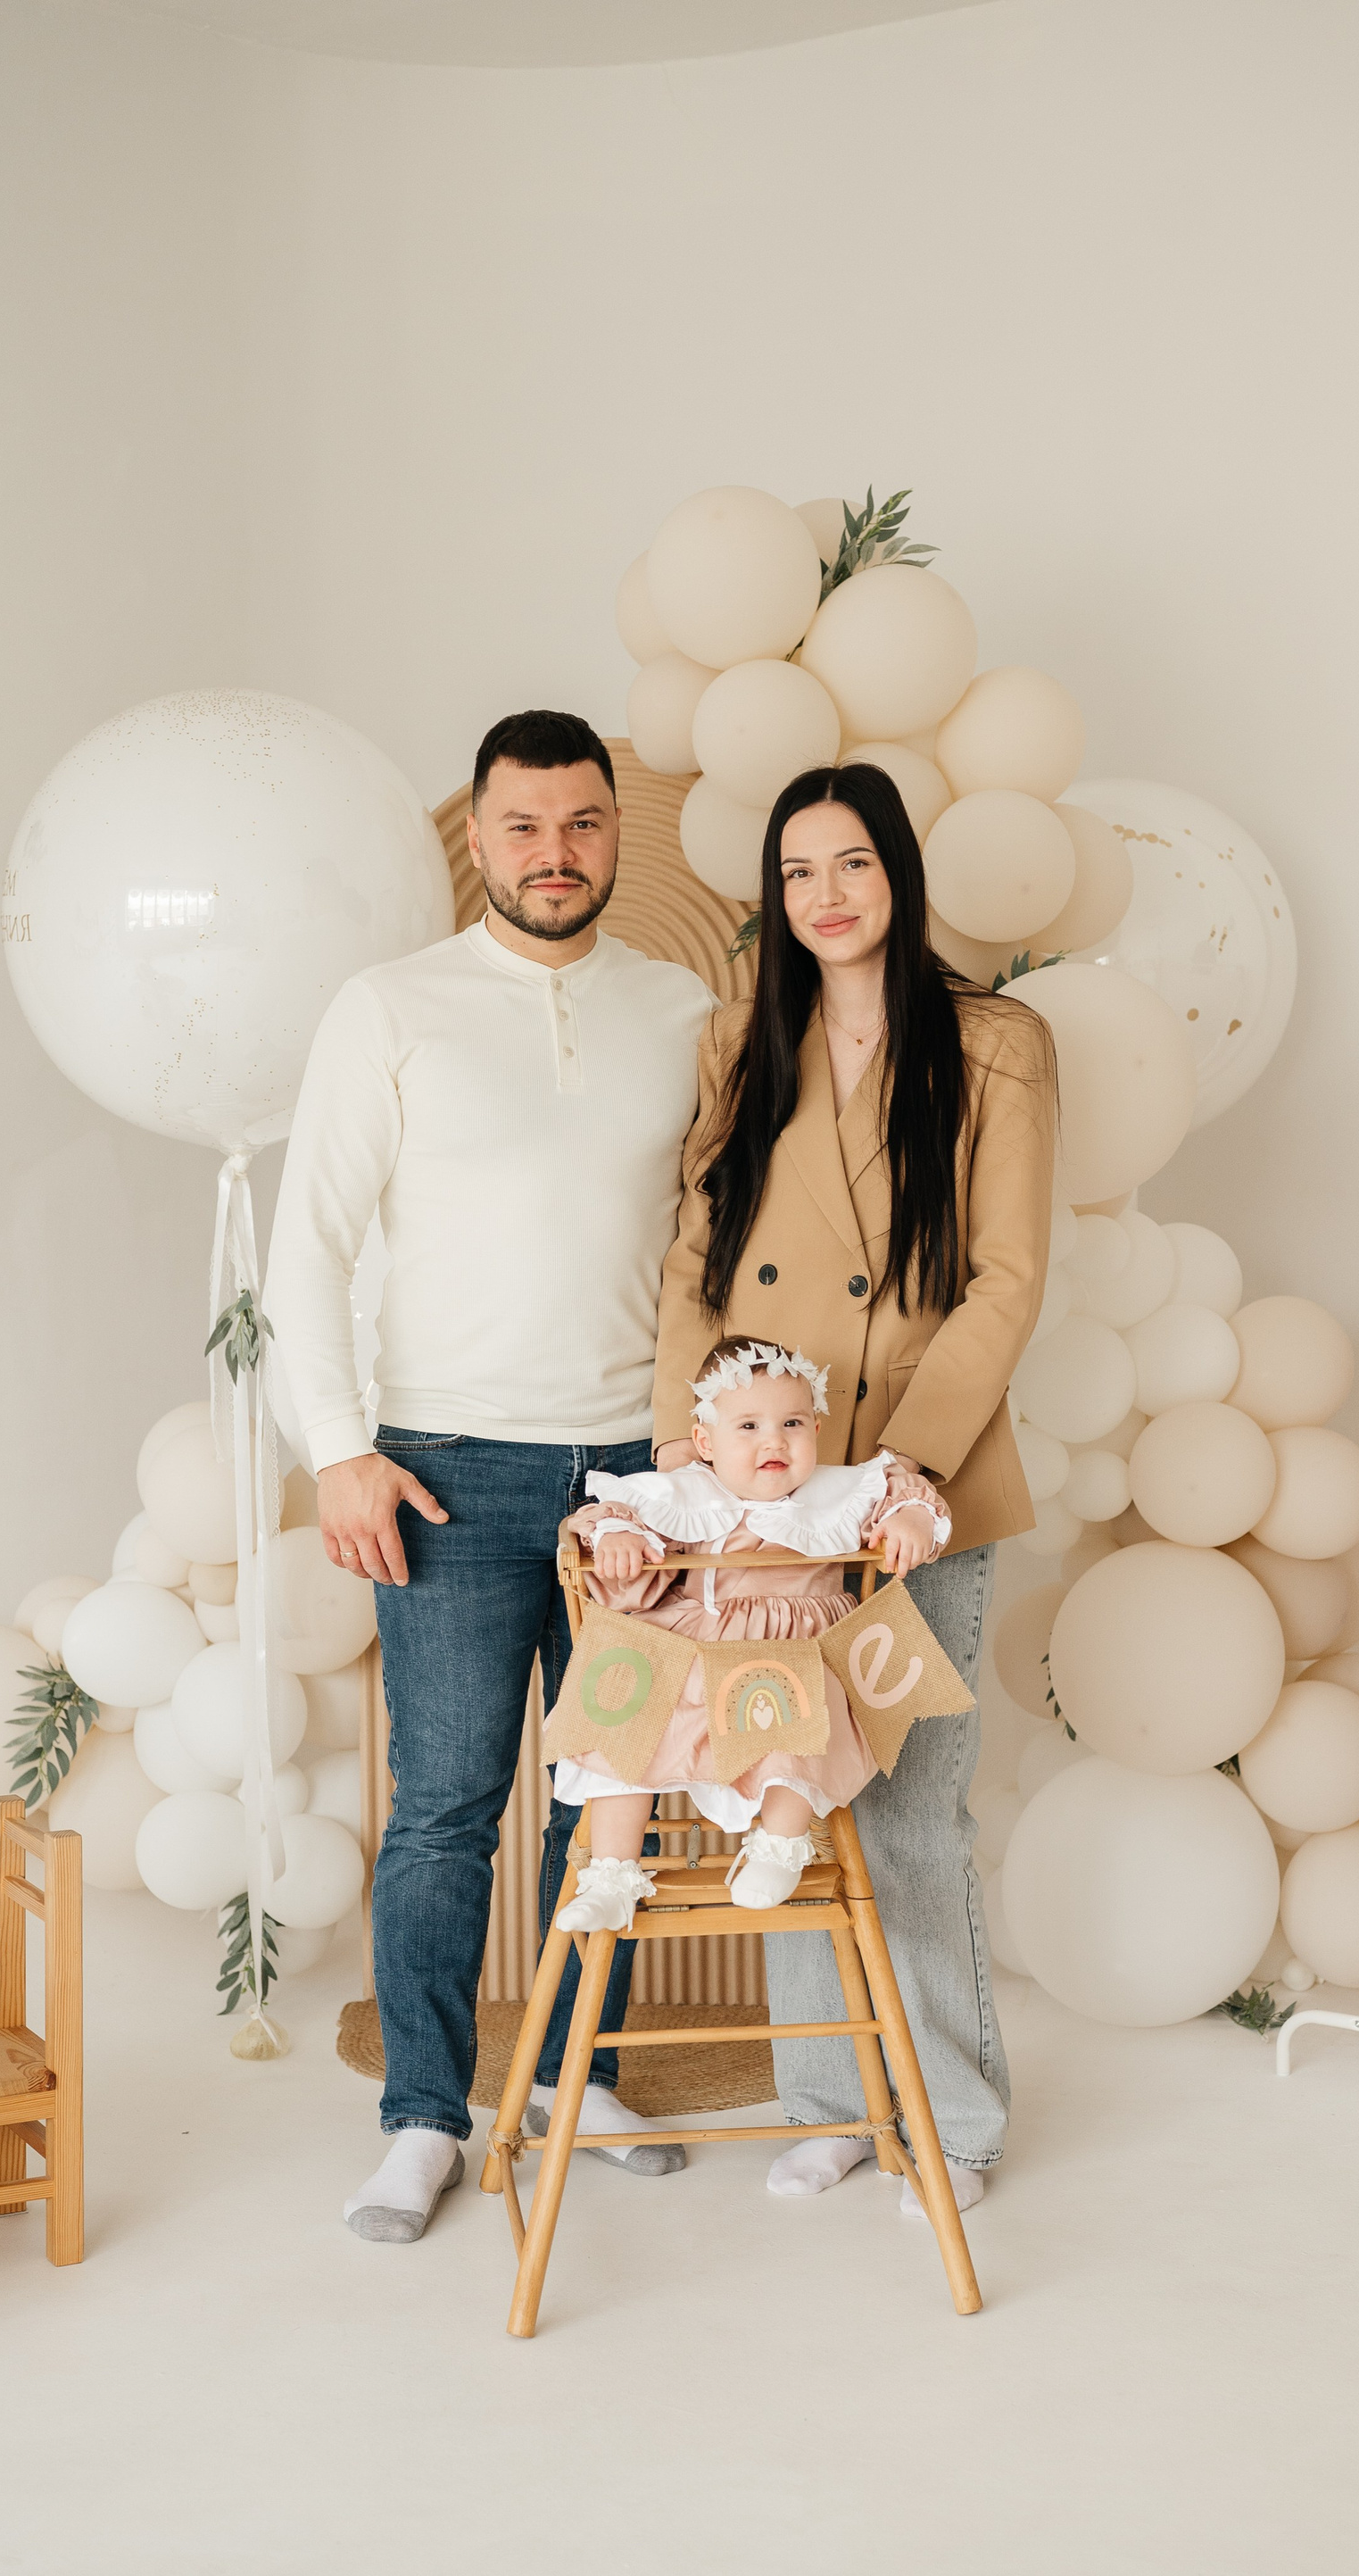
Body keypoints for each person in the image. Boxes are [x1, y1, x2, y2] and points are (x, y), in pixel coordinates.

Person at [269, 709, 714, 2243]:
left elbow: (723, 1237)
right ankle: (424, 2116)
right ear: (478, 837)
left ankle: (577, 2078)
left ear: (616, 831)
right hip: (445, 1469)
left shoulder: (684, 1009)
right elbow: (306, 1247)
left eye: (582, 822)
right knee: (447, 1807)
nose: (554, 852)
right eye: (523, 825)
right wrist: (340, 1451)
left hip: (639, 1481)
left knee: (612, 1802)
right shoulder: (389, 1008)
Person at [650, 761, 1056, 2220]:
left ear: (899, 872)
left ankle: (950, 2118)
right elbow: (695, 1260)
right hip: (767, 1485)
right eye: (797, 871)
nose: (825, 895)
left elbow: (1005, 1279)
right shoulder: (740, 1041)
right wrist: (689, 1452)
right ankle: (830, 2096)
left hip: (910, 1489)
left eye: (853, 863)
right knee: (788, 1789)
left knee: (912, 1810)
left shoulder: (996, 1042)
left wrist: (906, 1470)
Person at [551, 1334, 949, 1927]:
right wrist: (619, 1536)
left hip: (798, 1652)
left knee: (801, 1696)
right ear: (706, 1442)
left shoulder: (837, 1492)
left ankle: (780, 1844)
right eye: (748, 1427)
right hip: (696, 1647)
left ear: (816, 1428)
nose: (774, 1441)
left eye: (792, 1423)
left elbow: (900, 1492)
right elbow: (614, 1514)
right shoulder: (689, 1492)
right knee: (623, 1698)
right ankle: (611, 1874)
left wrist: (912, 1517)